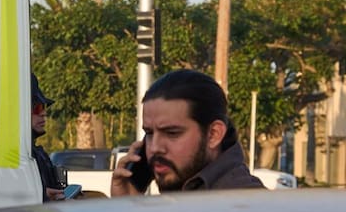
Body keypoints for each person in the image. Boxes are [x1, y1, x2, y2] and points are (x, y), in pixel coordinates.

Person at [112, 69, 263, 195]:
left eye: (172, 133)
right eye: (149, 133)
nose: (154, 148)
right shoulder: (180, 195)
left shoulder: (250, 208)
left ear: (214, 134)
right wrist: (128, 208)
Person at [31, 74, 66, 202]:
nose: (44, 113)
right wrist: (40, 196)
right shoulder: (17, 156)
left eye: (43, 107)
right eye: (37, 108)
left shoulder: (35, 152)